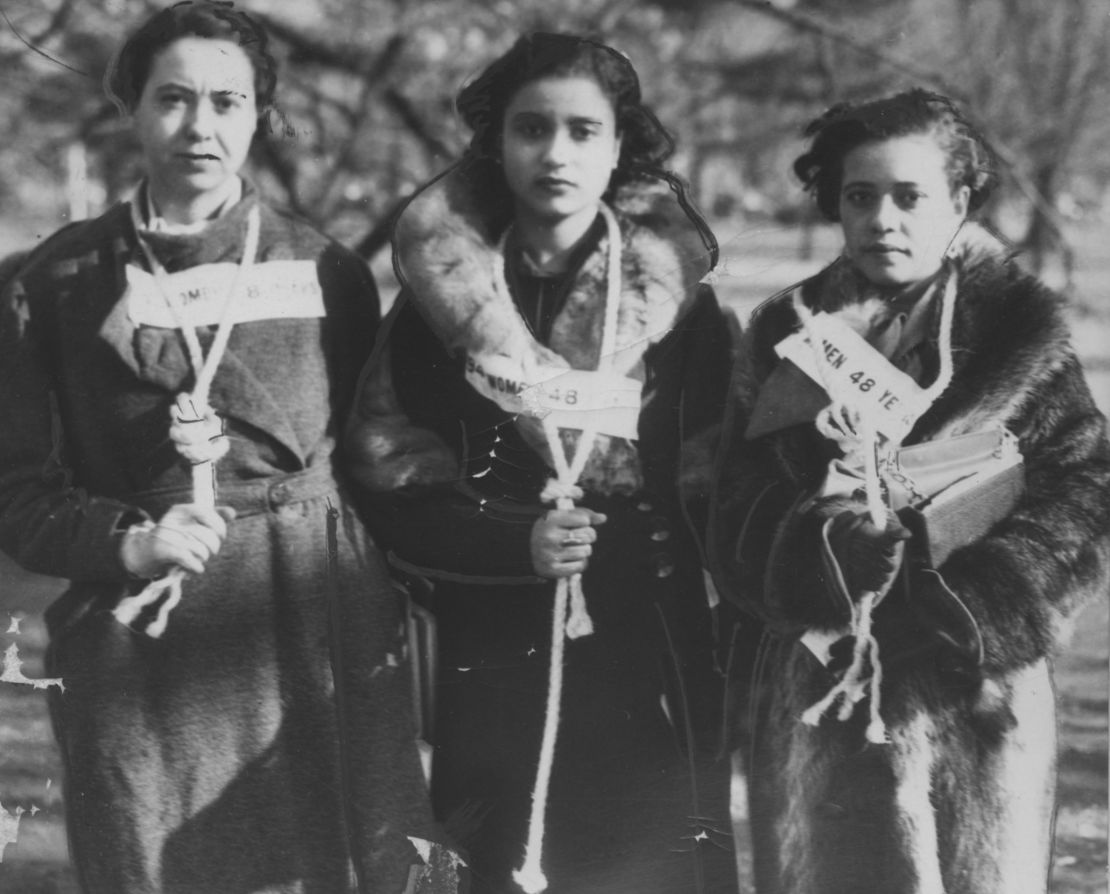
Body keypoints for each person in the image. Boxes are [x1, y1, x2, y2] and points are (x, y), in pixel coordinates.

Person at [0, 3, 449, 892]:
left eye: (228, 102)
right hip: (149, 638)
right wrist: (128, 541)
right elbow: (16, 496)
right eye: (172, 98)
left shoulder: (327, 271)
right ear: (128, 106)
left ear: (258, 115)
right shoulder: (52, 281)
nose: (200, 126)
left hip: (311, 620)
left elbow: (379, 463)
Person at [346, 31, 737, 894]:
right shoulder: (435, 313)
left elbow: (728, 493)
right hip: (496, 654)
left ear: (620, 148)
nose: (556, 153)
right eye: (532, 129)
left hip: (653, 655)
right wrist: (506, 542)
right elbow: (382, 476)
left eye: (583, 131)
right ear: (496, 144)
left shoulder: (690, 320)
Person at [709, 88, 1110, 894]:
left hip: (977, 703)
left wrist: (989, 597)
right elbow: (733, 502)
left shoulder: (1019, 338)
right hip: (827, 700)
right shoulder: (787, 336)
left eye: (908, 196)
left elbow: (1085, 489)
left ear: (958, 202)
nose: (883, 220)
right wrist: (824, 543)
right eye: (861, 197)